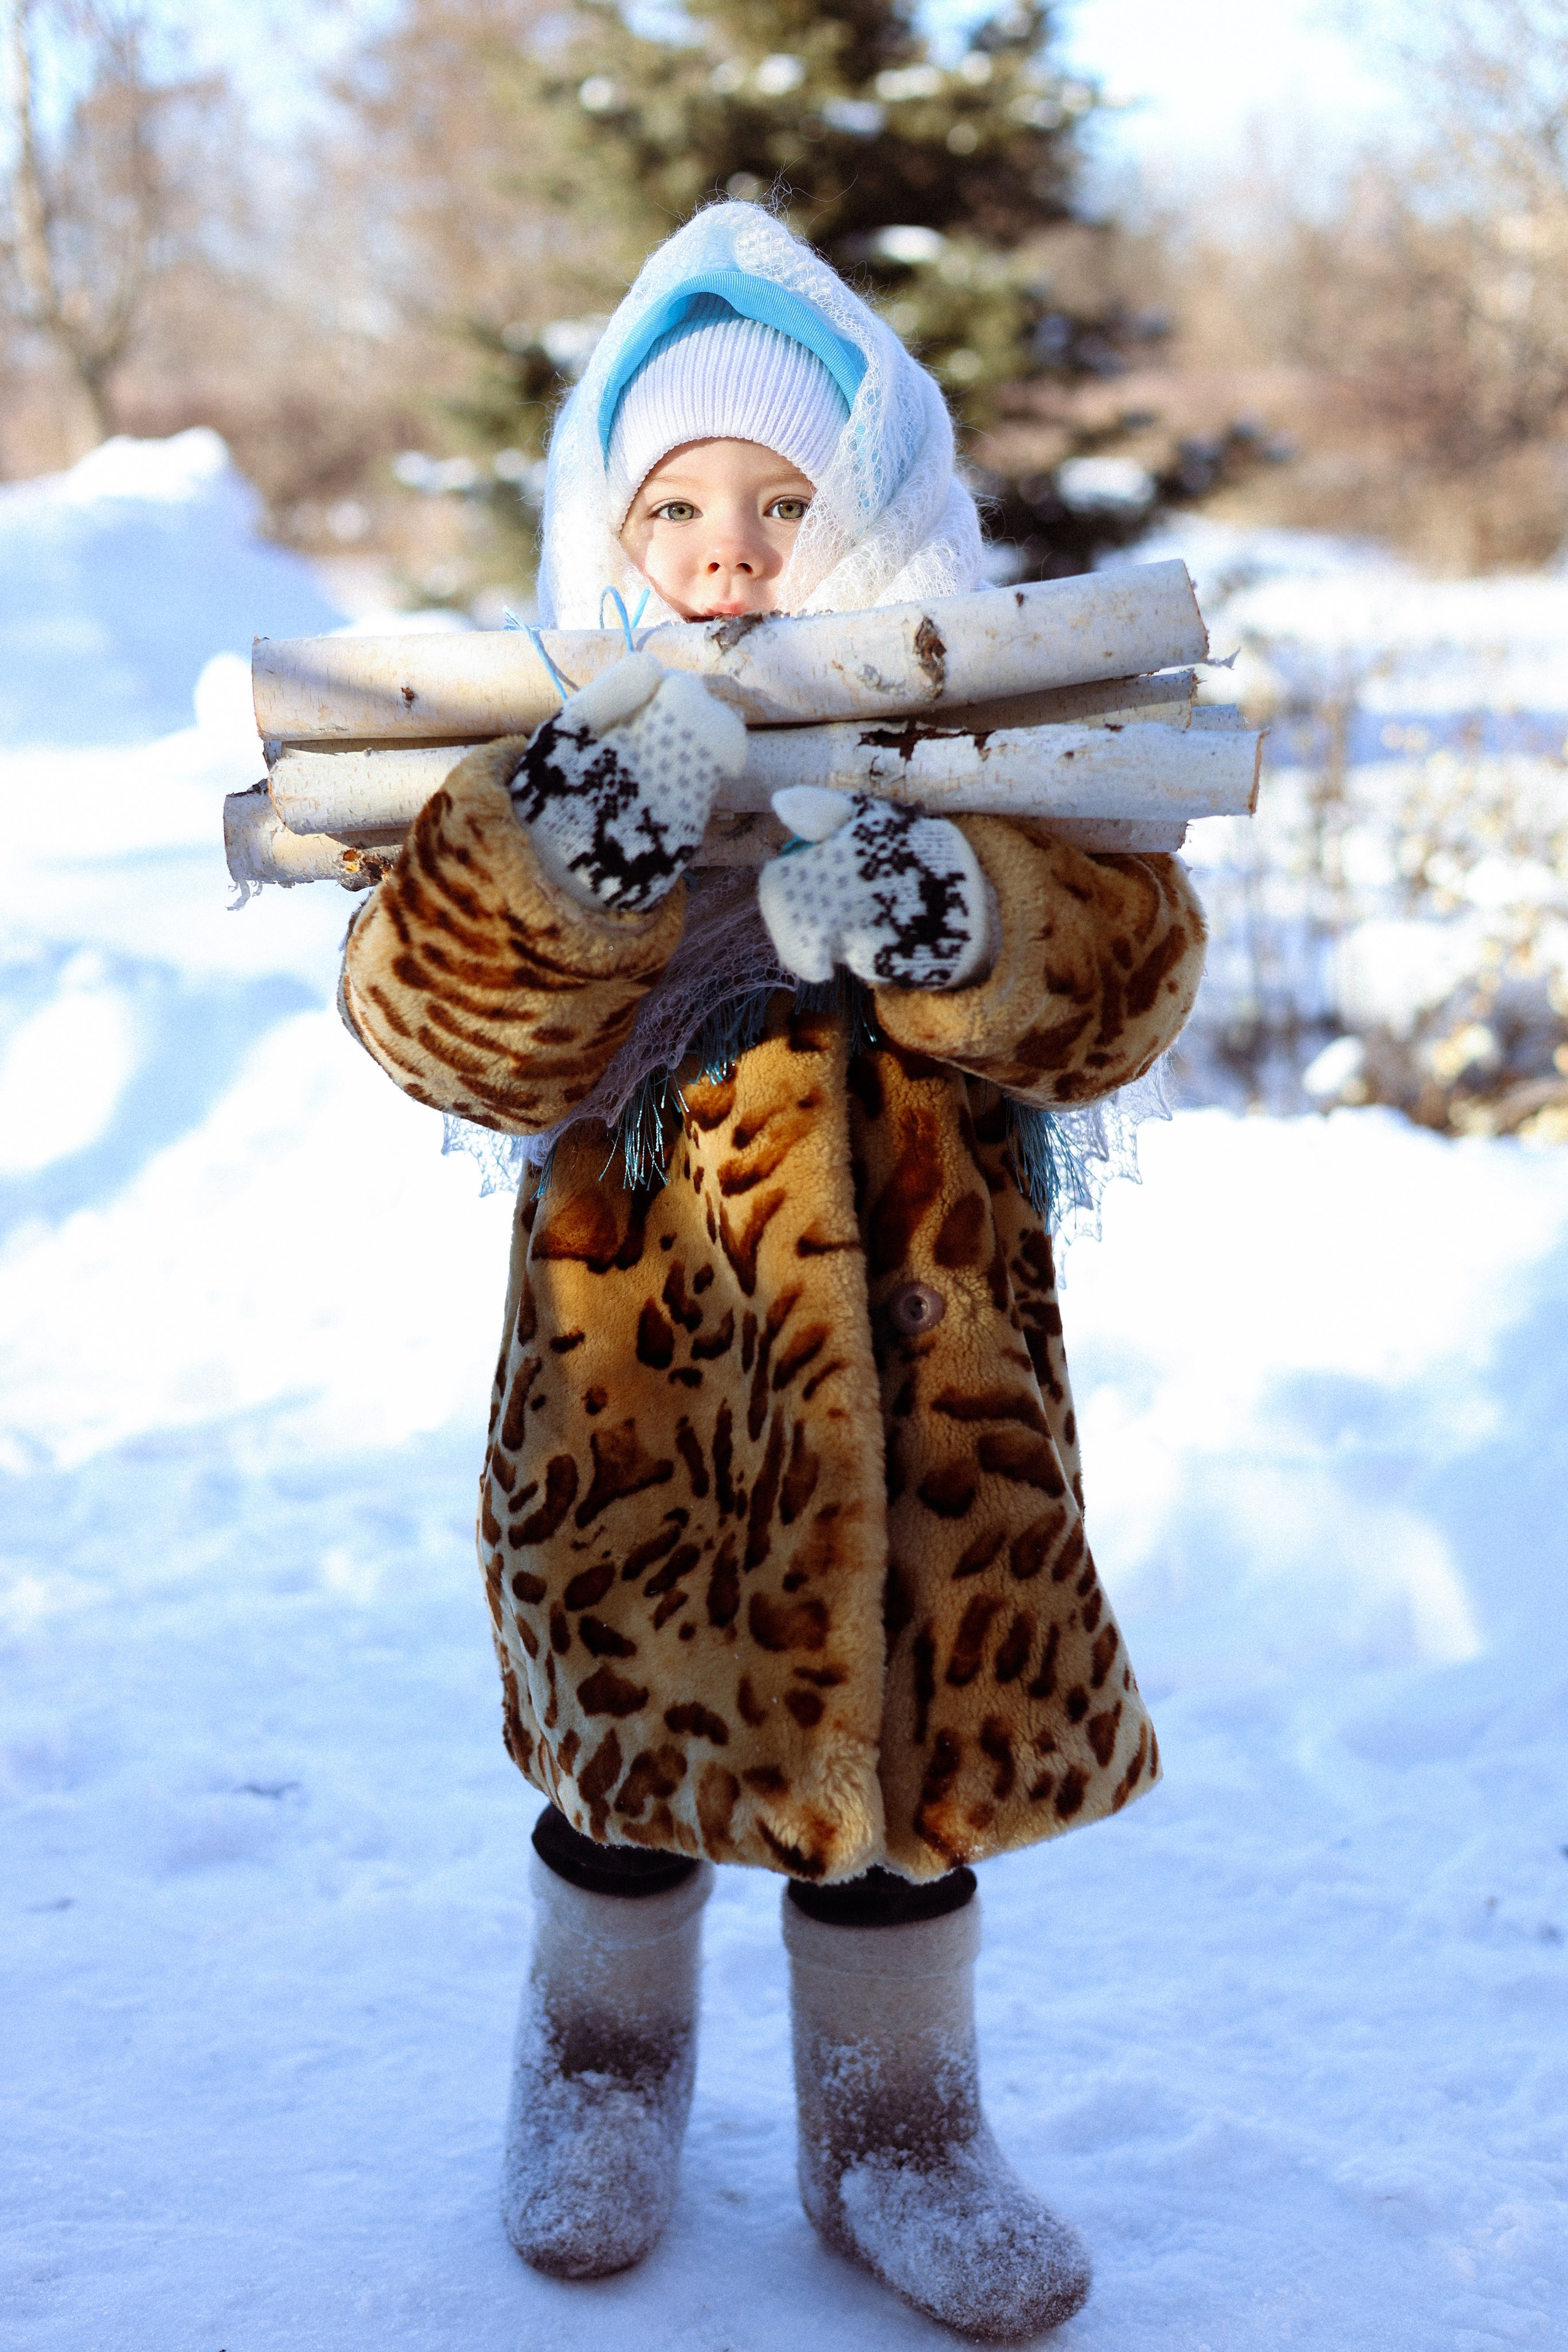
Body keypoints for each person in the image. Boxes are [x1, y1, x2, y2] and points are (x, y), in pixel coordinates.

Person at [338, 200, 1206, 2340]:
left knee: (907, 1780)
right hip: (636, 1378)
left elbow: (1122, 989)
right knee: (629, 1767)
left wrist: (955, 924)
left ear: (878, 517)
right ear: (609, 534)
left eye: (783, 500)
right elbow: (432, 1026)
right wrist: (563, 869)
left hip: (932, 1380)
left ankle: (899, 2128)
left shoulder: (991, 751)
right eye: (675, 505)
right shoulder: (533, 751)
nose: (726, 550)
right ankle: (597, 2070)